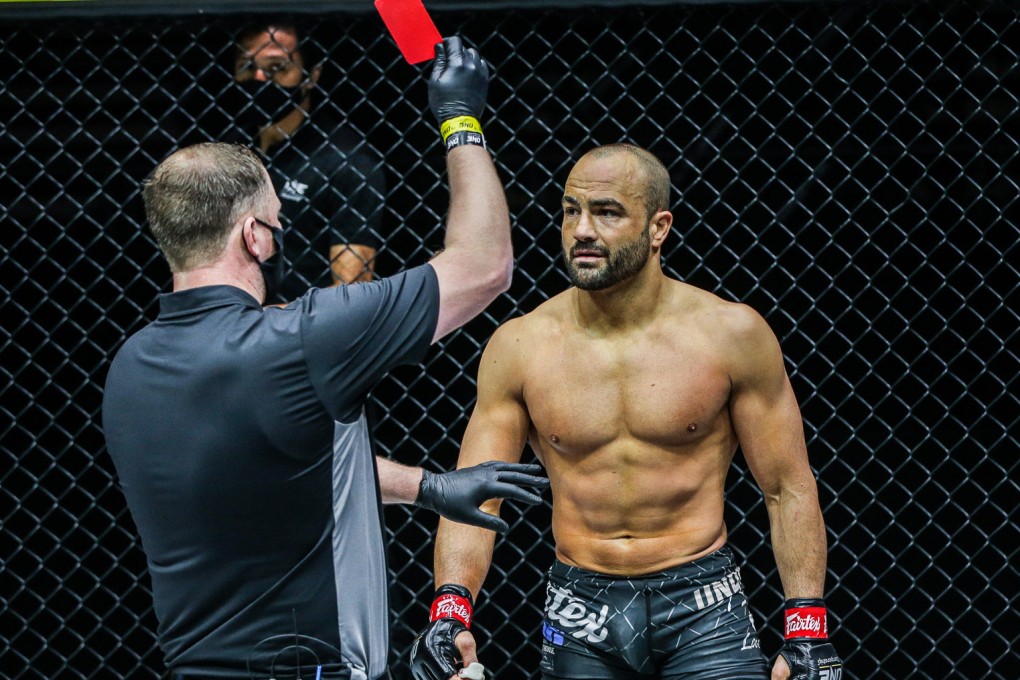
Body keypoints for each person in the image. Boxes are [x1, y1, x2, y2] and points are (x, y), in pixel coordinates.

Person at [102, 38, 548, 680]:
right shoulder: (297, 341)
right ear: (254, 236)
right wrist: (461, 120)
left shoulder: (131, 369)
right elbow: (484, 267)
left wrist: (427, 487)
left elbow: (278, 464)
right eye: (276, 223)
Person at [410, 144, 843, 680]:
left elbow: (787, 485)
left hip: (703, 602)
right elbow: (477, 492)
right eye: (571, 210)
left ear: (658, 228)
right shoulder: (521, 346)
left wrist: (807, 628)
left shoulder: (731, 335)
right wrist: (449, 611)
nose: (582, 230)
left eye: (607, 212)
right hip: (580, 605)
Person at [230, 20, 385, 296]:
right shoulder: (227, 144)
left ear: (311, 75)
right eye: (247, 67)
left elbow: (350, 295)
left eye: (277, 68)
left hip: (302, 330)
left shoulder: (346, 161)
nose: (259, 79)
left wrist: (270, 321)